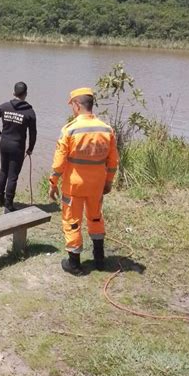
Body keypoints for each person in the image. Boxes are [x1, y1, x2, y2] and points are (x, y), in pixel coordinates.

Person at [48, 87, 119, 275]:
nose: (72, 109)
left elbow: (59, 163)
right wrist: (109, 182)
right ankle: (100, 259)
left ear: (78, 105)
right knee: (95, 217)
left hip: (74, 185)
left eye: (72, 105)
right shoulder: (106, 129)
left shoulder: (69, 130)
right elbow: (113, 161)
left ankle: (74, 263)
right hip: (97, 185)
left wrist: (53, 183)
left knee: (72, 221)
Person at [0, 82, 37, 212]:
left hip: (4, 143)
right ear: (25, 94)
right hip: (17, 146)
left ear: (14, 93)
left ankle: (0, 200)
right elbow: (33, 133)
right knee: (13, 176)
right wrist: (30, 148)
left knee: (3, 170)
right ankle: (8, 205)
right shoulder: (29, 112)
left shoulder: (4, 106)